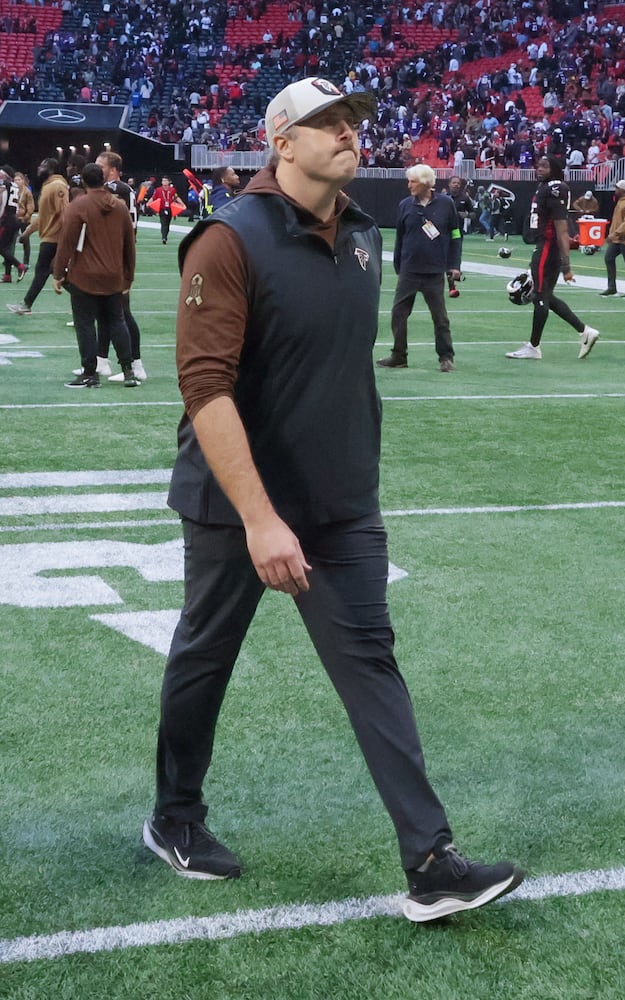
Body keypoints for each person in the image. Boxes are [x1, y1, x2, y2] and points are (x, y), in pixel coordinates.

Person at [143, 77, 523, 921]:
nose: (349, 134)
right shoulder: (226, 240)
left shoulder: (362, 231)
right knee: (205, 659)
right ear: (281, 142)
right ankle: (174, 817)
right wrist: (260, 516)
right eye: (328, 124)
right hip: (235, 505)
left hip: (342, 503)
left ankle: (431, 860)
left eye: (353, 122)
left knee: (372, 668)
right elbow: (205, 389)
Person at [53, 163, 138, 388]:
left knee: (85, 324)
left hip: (84, 276)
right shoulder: (119, 206)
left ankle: (90, 373)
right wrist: (128, 275)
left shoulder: (78, 206)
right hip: (114, 275)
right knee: (117, 321)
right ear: (103, 179)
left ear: (83, 182)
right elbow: (130, 244)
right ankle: (128, 371)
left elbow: (67, 243)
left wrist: (58, 273)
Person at [506, 156, 600, 360]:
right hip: (544, 245)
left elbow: (561, 227)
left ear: (555, 169)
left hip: (548, 247)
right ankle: (585, 332)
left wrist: (567, 266)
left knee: (539, 296)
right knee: (546, 296)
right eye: (538, 165)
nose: (539, 169)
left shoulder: (556, 187)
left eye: (545, 166)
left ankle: (534, 346)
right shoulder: (545, 186)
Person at [376, 164, 460, 372]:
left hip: (434, 272)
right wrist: (398, 265)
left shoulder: (446, 204)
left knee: (440, 318)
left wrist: (454, 265)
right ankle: (399, 355)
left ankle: (446, 357)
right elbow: (400, 237)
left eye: (413, 182)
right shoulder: (405, 205)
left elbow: (456, 235)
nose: (409, 185)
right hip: (409, 270)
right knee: (398, 314)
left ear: (425, 183)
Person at [93, 151, 148, 382]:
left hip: (117, 257)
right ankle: (101, 361)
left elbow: (124, 228)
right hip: (114, 256)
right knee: (107, 313)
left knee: (122, 313)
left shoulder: (118, 189)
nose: (96, 169)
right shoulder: (117, 188)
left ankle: (136, 365)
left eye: (100, 165)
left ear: (112, 169)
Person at [8, 159, 68, 317]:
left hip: (54, 239)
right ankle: (87, 302)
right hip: (49, 237)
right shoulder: (48, 187)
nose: (39, 168)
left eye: (43, 166)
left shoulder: (58, 187)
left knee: (44, 271)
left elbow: (64, 214)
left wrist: (64, 239)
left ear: (51, 169)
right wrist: (27, 232)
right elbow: (42, 217)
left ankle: (27, 304)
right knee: (59, 274)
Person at [599, 179, 625, 297]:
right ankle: (612, 287)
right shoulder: (621, 201)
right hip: (617, 238)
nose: (615, 190)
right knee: (609, 258)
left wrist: (615, 233)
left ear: (623, 190)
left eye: (617, 188)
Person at [0, 165, 27, 282]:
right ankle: (7, 275)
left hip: (6, 219)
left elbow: (2, 203)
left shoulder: (5, 185)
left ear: (5, 175)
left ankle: (20, 266)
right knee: (6, 248)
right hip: (13, 219)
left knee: (1, 248)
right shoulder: (15, 185)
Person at [154, 176, 185, 244]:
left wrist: (182, 204)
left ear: (168, 182)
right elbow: (154, 198)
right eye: (163, 181)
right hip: (162, 208)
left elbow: (176, 197)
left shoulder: (172, 190)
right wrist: (149, 203)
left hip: (170, 208)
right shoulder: (158, 190)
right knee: (163, 223)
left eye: (165, 181)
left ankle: (165, 236)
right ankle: (164, 237)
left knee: (167, 224)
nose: (164, 182)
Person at [14, 172, 34, 272]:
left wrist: (25, 217)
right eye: (15, 180)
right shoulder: (13, 191)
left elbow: (31, 206)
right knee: (11, 240)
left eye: (19, 180)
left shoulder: (27, 192)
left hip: (24, 219)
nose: (17, 182)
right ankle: (10, 260)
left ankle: (26, 261)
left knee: (25, 240)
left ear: (23, 181)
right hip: (14, 219)